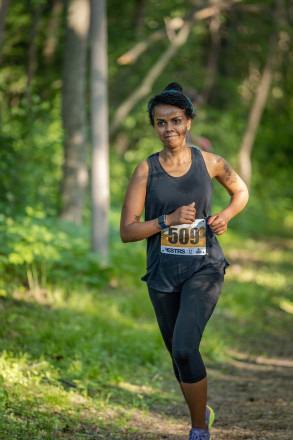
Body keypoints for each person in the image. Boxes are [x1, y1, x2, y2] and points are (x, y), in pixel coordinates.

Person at [120, 82, 249, 440]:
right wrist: (166, 220)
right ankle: (201, 409)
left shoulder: (210, 163)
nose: (168, 129)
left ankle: (198, 430)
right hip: (163, 273)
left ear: (188, 121)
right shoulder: (146, 171)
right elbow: (127, 231)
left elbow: (241, 190)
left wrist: (226, 215)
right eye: (160, 123)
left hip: (204, 268)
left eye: (176, 120)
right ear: (154, 126)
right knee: (179, 356)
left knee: (184, 347)